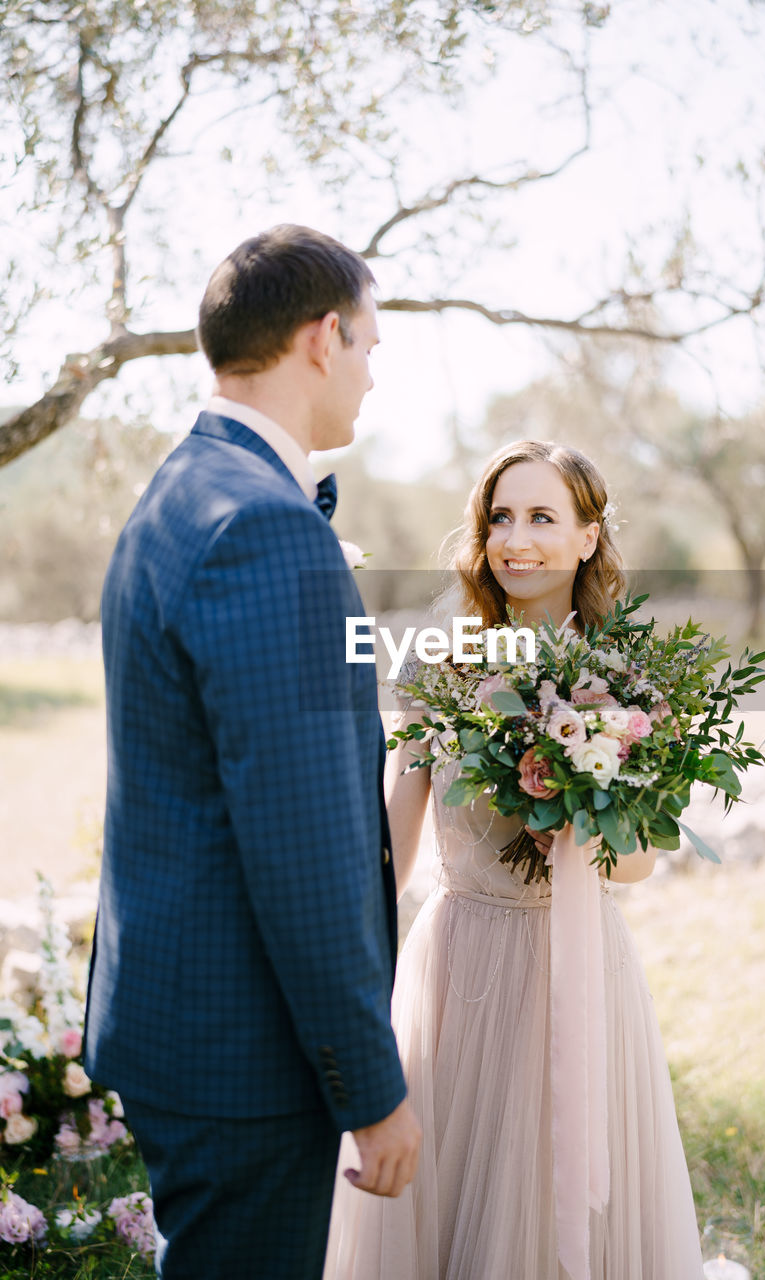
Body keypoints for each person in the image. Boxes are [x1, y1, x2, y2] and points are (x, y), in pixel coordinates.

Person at [83, 224, 421, 1280]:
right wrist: (370, 1085)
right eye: (368, 343)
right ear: (323, 338)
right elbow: (304, 845)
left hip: (178, 1019)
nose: (371, 372)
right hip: (244, 1053)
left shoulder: (178, 493)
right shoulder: (264, 528)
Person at [323, 440, 704, 1279]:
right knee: (458, 1189)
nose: (515, 539)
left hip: (579, 963)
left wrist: (576, 810)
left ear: (587, 536)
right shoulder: (443, 651)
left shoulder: (628, 673)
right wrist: (352, 967)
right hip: (459, 962)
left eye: (541, 517)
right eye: (500, 517)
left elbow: (638, 867)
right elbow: (398, 829)